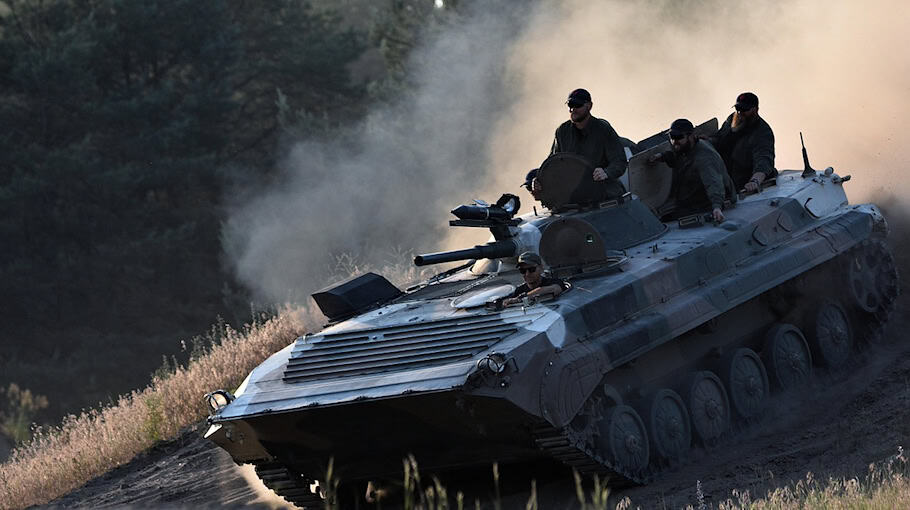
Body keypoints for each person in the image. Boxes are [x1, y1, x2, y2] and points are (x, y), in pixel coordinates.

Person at [545, 88, 629, 199]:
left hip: (602, 192)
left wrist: (606, 172)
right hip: (573, 195)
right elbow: (552, 163)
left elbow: (619, 161)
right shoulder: (562, 131)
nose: (573, 109)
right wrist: (539, 180)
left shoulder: (603, 129)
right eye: (570, 105)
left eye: (577, 105)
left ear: (589, 106)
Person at [648, 119, 737, 223]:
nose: (675, 141)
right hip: (694, 196)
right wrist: (662, 156)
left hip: (707, 202)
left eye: (679, 137)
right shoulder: (688, 147)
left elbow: (713, 182)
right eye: (672, 137)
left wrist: (717, 206)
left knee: (664, 220)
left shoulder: (704, 157)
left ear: (690, 136)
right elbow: (680, 157)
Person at [709, 92, 776, 192]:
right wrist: (706, 140)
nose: (740, 113)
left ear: (755, 110)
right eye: (738, 109)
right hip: (725, 180)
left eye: (745, 109)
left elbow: (763, 160)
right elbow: (719, 138)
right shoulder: (732, 120)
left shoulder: (762, 132)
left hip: (744, 183)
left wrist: (755, 181)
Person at [502, 252, 569, 306]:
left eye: (531, 269)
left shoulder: (553, 282)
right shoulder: (519, 291)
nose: (527, 274)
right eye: (523, 271)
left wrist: (521, 298)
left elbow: (555, 289)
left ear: (541, 268)